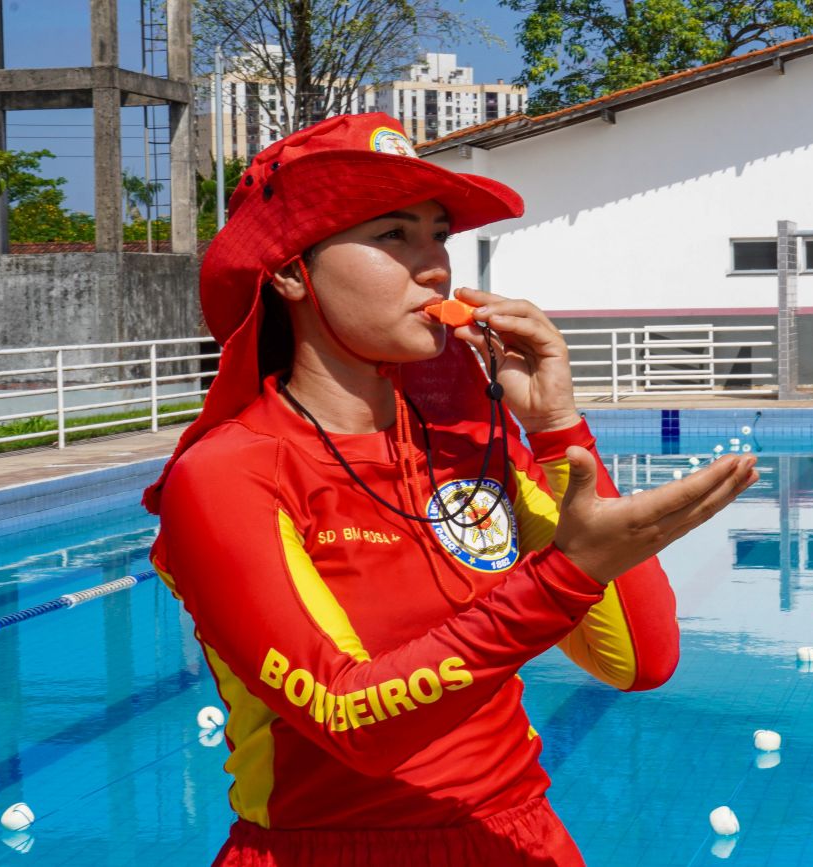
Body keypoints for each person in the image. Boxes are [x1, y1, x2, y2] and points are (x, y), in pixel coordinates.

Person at [144, 113, 758, 867]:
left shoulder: (472, 442)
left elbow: (641, 662)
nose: (434, 266)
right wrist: (565, 576)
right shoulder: (231, 473)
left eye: (438, 234)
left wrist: (556, 429)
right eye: (393, 235)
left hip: (518, 839)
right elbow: (348, 718)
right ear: (291, 272)